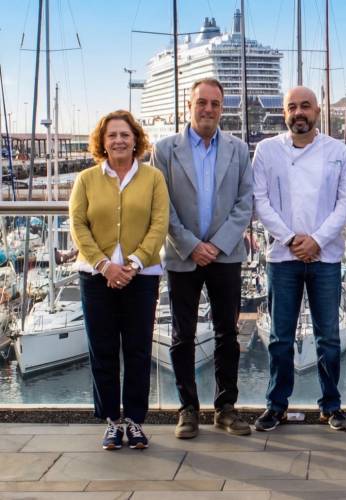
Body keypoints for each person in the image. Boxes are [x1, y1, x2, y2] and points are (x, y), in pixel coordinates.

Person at [152, 78, 254, 439]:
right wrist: (192, 244)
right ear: (189, 105)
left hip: (226, 256)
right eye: (202, 102)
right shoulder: (165, 150)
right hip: (184, 255)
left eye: (215, 103)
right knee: (183, 335)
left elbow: (245, 202)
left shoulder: (238, 149)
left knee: (228, 333)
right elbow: (162, 205)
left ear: (222, 108)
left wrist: (219, 244)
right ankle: (188, 409)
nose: (208, 109)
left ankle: (225, 408)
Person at [252, 86, 346, 432]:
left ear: (317, 111)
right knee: (280, 338)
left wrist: (317, 240)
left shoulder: (339, 152)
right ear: (284, 113)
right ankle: (276, 405)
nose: (299, 112)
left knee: (329, 338)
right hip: (283, 258)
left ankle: (331, 405)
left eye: (306, 106)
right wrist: (291, 239)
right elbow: (260, 201)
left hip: (325, 258)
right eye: (292, 107)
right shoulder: (267, 150)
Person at [70, 110, 169, 450]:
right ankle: (112, 421)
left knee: (138, 350)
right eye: (111, 135)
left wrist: (133, 264)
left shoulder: (153, 178)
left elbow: (159, 224)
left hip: (141, 277)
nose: (119, 140)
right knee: (103, 350)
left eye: (125, 134)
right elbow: (77, 225)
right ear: (102, 141)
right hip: (95, 277)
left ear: (135, 139)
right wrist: (103, 265)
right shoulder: (86, 179)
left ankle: (135, 422)